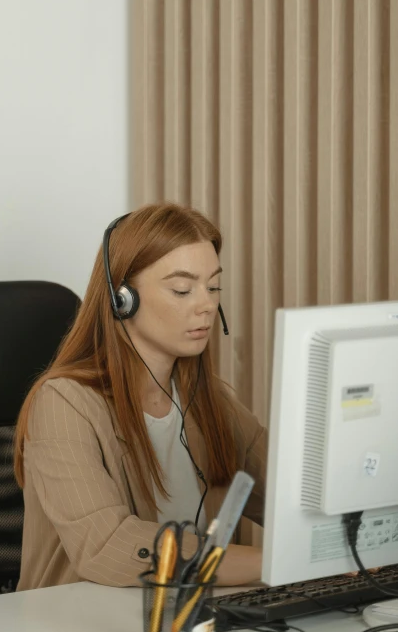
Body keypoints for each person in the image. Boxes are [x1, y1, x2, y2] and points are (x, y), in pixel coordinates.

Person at [15, 202, 266, 590]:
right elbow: (107, 545)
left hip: (182, 622)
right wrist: (270, 564)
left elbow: (292, 494)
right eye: (182, 289)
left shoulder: (208, 399)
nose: (207, 305)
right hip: (76, 626)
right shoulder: (64, 404)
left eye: (213, 286)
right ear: (123, 300)